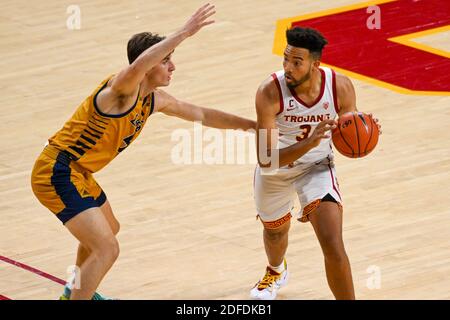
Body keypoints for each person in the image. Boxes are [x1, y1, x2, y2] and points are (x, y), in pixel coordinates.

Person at [31, 3, 255, 300]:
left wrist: (252, 126)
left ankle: (76, 289)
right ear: (149, 65)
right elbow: (137, 67)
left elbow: (202, 113)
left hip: (79, 172)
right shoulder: (119, 91)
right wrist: (185, 32)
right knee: (107, 247)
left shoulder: (155, 100)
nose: (172, 66)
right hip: (57, 169)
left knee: (109, 228)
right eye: (166, 60)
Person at [250, 26, 380, 300]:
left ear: (315, 64)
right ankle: (275, 270)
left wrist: (365, 129)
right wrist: (308, 143)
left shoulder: (340, 86)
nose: (288, 67)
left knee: (333, 243)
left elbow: (350, 126)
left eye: (297, 62)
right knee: (275, 235)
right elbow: (266, 160)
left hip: (317, 167)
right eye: (286, 59)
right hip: (276, 170)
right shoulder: (269, 92)